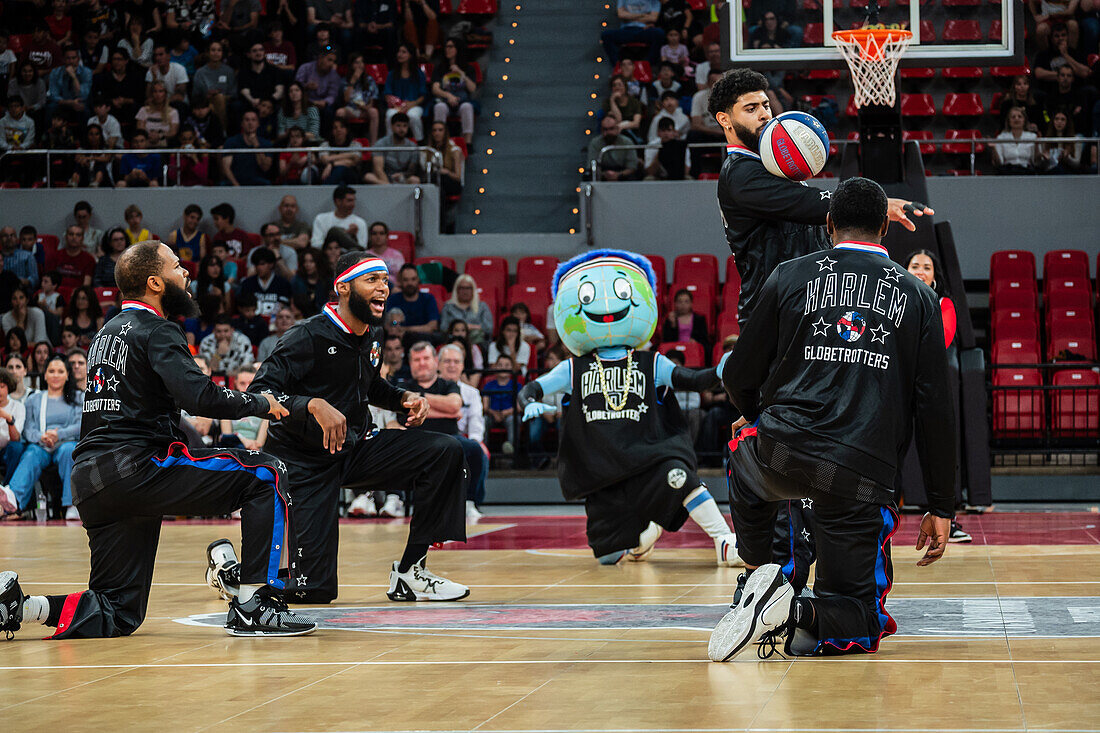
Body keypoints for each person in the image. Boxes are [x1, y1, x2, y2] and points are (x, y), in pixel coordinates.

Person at [0, 240, 317, 638]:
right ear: (155, 282)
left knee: (119, 610)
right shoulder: (157, 329)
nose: (186, 273)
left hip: (89, 479)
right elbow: (199, 396)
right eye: (177, 267)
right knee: (266, 474)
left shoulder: (104, 335)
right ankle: (256, 603)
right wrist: (262, 403)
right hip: (136, 466)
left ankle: (21, 608)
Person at [707, 177, 955, 661]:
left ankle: (762, 577)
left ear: (827, 224)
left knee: (743, 453)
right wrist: (942, 506)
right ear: (885, 227)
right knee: (858, 624)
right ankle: (792, 610)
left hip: (781, 452)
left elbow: (737, 374)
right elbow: (935, 412)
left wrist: (755, 415)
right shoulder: (922, 299)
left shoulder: (789, 275)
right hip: (860, 475)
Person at [708, 67, 931, 592]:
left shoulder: (780, 169)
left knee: (818, 442)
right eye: (750, 109)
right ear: (725, 120)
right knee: (781, 444)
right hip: (773, 324)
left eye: (767, 106)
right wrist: (874, 206)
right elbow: (810, 206)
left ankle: (816, 570)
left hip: (809, 318)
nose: (765, 115)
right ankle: (774, 579)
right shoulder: (739, 175)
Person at [208, 251, 470, 604]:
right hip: (303, 461)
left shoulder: (372, 335)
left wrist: (403, 397)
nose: (383, 288)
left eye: (384, 280)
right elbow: (259, 392)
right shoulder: (307, 336)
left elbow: (369, 386)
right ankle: (232, 574)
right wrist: (310, 405)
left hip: (356, 447)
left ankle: (411, 572)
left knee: (446, 451)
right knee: (313, 590)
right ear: (343, 288)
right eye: (372, 280)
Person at [517, 250, 741, 565]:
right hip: (603, 473)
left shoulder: (652, 363)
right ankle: (645, 535)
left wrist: (721, 369)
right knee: (609, 557)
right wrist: (529, 402)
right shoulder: (572, 368)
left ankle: (723, 541)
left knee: (680, 476)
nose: (607, 306)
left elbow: (694, 379)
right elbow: (531, 388)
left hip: (649, 459)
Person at [395, 342, 486, 521]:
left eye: (426, 358)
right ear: (410, 363)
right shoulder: (402, 387)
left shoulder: (448, 385)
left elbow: (454, 405)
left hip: (449, 438)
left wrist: (420, 398)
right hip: (415, 441)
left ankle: (469, 502)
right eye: (416, 360)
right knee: (391, 447)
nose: (422, 363)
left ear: (435, 361)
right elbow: (404, 415)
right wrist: (446, 410)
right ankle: (395, 499)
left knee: (475, 449)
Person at [0, 354, 82, 520]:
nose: (55, 375)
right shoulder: (34, 399)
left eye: (60, 371)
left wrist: (59, 434)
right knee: (31, 454)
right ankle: (13, 500)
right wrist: (41, 436)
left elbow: (80, 425)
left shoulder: (77, 397)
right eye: (51, 371)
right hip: (41, 445)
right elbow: (28, 429)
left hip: (66, 443)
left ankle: (71, 505)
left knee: (69, 451)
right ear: (45, 375)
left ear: (67, 375)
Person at [438, 343, 488, 521]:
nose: (451, 365)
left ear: (462, 366)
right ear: (438, 364)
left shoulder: (472, 393)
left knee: (478, 450)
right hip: (437, 438)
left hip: (462, 439)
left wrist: (475, 441)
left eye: (456, 362)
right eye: (447, 361)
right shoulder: (433, 387)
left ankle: (471, 501)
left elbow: (476, 422)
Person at [430, 38, 479, 145]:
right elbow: (435, 88)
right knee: (439, 107)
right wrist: (448, 95)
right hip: (445, 101)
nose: (447, 49)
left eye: (451, 47)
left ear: (458, 49)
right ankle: (439, 142)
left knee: (467, 107)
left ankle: (467, 142)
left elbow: (472, 88)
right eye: (446, 47)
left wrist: (461, 73)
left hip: (462, 101)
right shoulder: (440, 68)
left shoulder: (468, 68)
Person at [383, 43, 427, 140]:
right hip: (396, 106)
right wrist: (396, 105)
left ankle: (420, 142)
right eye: (399, 52)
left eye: (404, 52)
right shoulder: (392, 74)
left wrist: (412, 104)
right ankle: (390, 143)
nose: (400, 54)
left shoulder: (419, 74)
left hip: (414, 105)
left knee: (413, 116)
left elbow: (423, 95)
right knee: (390, 115)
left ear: (411, 55)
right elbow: (387, 94)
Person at [364, 112, 422, 184]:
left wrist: (403, 175)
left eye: (405, 126)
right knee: (369, 176)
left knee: (415, 180)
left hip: (402, 178)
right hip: (384, 178)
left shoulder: (412, 146)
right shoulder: (381, 143)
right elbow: (378, 169)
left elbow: (412, 169)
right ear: (392, 126)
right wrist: (389, 186)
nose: (402, 129)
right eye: (398, 126)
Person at [601, 0, 666, 64]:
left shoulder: (654, 1)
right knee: (606, 35)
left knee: (659, 33)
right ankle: (618, 64)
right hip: (626, 31)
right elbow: (621, 15)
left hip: (644, 30)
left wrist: (629, 16)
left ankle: (648, 64)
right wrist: (644, 15)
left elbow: (653, 18)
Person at [385, 264, 439, 337]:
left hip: (423, 340)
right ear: (400, 281)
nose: (410, 283)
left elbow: (432, 327)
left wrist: (405, 329)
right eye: (406, 280)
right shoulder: (392, 300)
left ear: (418, 279)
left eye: (413, 279)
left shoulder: (428, 299)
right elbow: (387, 326)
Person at [239, 245, 293, 318]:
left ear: (271, 264)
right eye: (256, 264)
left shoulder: (283, 284)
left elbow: (286, 308)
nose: (259, 268)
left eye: (262, 264)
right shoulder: (247, 284)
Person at [222, 110, 273, 186]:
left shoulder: (266, 144)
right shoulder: (231, 142)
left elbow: (265, 167)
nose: (250, 123)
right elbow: (226, 168)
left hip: (258, 182)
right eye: (247, 120)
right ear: (242, 124)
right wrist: (237, 186)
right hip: (235, 182)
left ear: (258, 124)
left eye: (253, 120)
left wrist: (256, 146)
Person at [312, 184, 368, 249]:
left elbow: (363, 247)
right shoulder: (321, 219)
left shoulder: (360, 222)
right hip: (327, 255)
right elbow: (315, 245)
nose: (353, 204)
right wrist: (345, 233)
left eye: (354, 200)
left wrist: (354, 236)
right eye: (349, 201)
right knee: (334, 231)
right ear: (338, 201)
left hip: (349, 256)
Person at [441, 274, 492, 343]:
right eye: (462, 288)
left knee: (477, 335)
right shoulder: (448, 307)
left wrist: (469, 327)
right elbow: (443, 328)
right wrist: (460, 329)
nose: (465, 291)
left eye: (468, 288)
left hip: (477, 342)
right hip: (454, 341)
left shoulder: (482, 306)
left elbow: (488, 328)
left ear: (473, 290)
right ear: (457, 290)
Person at [587, 115, 640, 181]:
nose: (608, 132)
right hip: (603, 173)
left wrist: (618, 174)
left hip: (623, 173)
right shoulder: (595, 143)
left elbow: (632, 166)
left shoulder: (627, 142)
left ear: (617, 129)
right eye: (605, 129)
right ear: (601, 130)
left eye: (611, 129)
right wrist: (604, 174)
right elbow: (592, 165)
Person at [992, 106, 1040, 174]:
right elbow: (999, 163)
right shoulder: (1001, 137)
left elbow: (1036, 162)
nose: (1016, 119)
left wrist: (1037, 146)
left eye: (1019, 116)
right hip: (1008, 171)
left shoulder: (1033, 137)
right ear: (1009, 121)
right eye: (1013, 117)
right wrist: (993, 149)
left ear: (1024, 120)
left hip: (1027, 171)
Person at [662, 287, 709, 352]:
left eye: (686, 301)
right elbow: (666, 342)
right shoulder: (670, 319)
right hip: (675, 351)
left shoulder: (699, 319)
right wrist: (673, 325)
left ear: (691, 303)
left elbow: (705, 341)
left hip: (694, 350)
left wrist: (696, 342)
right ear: (675, 304)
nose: (683, 304)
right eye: (680, 301)